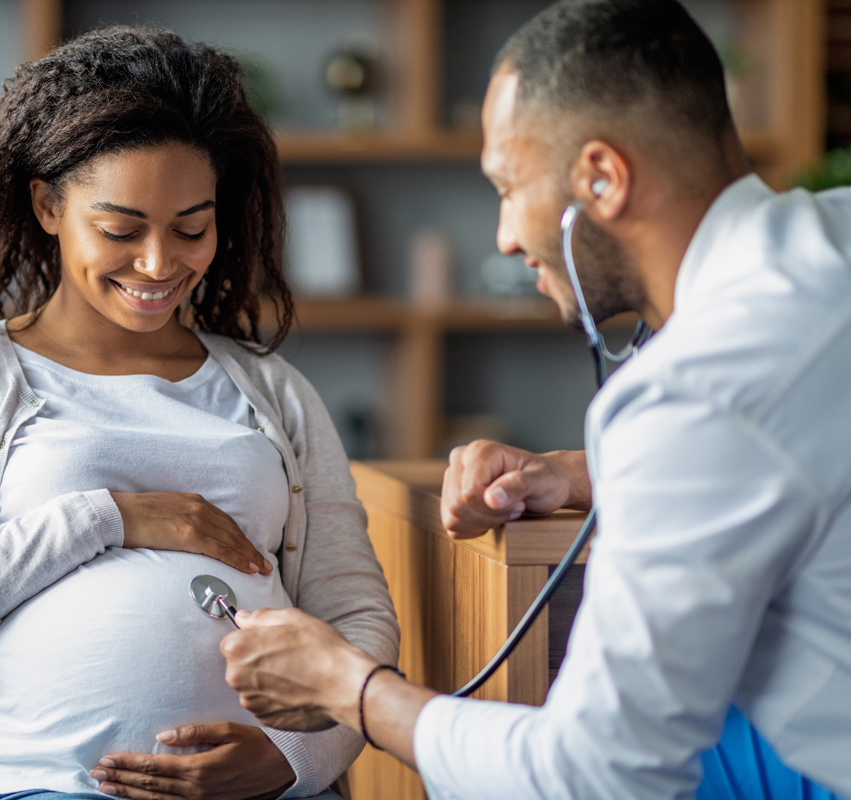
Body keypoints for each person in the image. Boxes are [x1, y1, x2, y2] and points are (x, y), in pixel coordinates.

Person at [218, 1, 851, 798]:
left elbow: (592, 776)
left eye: (508, 187)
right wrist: (588, 473)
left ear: (602, 178)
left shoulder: (695, 394)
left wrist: (350, 687)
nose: (505, 239)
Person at [0, 26, 399, 800]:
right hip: (28, 784)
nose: (160, 264)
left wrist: (292, 761)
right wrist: (110, 518)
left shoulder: (275, 392)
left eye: (191, 228)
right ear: (47, 204)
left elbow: (357, 618)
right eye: (121, 229)